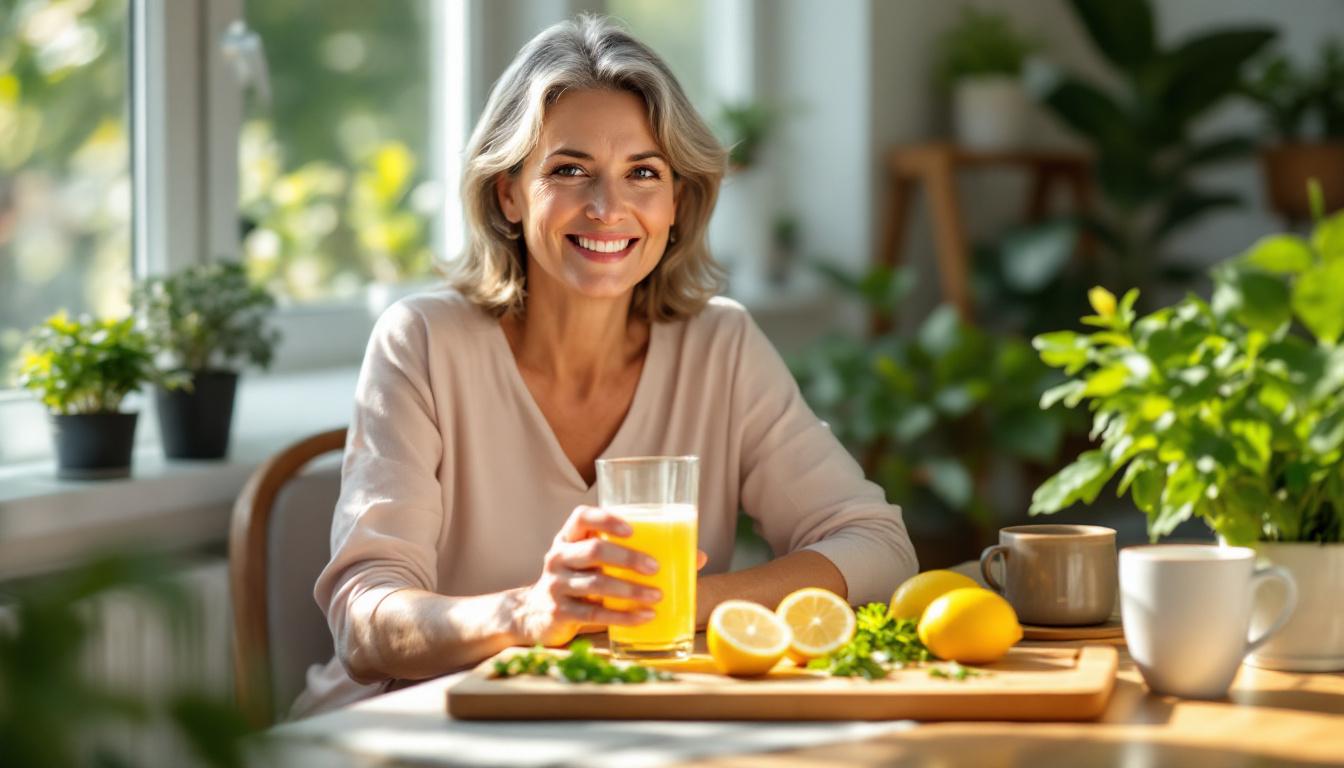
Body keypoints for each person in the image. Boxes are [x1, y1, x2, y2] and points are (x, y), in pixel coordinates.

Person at [290, 14, 917, 718]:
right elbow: (366, 624)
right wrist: (529, 615)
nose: (606, 207)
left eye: (642, 173)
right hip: (411, 729)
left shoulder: (721, 346)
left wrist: (681, 602)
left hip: (612, 728)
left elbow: (879, 547)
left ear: (677, 202)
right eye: (568, 170)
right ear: (507, 192)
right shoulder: (424, 343)